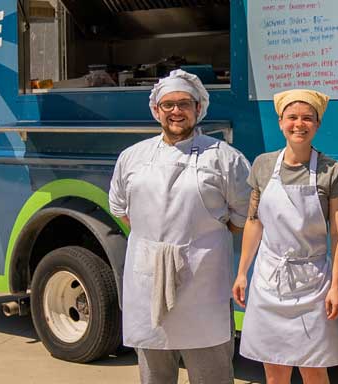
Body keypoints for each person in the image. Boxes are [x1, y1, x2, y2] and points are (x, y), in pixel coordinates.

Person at [108, 69, 251, 384]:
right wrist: (153, 244)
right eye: (168, 104)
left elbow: (243, 216)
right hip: (148, 284)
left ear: (199, 108)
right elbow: (120, 208)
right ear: (156, 110)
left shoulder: (226, 159)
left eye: (184, 103)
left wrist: (198, 247)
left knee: (210, 374)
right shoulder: (132, 157)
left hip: (203, 285)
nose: (176, 111)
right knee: (155, 374)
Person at [232, 89, 338, 383]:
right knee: (274, 370)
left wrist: (336, 285)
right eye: (292, 117)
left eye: (307, 118)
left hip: (314, 281)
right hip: (269, 278)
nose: (300, 124)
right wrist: (242, 272)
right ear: (281, 122)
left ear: (317, 124)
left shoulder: (332, 171)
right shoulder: (262, 165)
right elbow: (254, 222)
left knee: (314, 369)